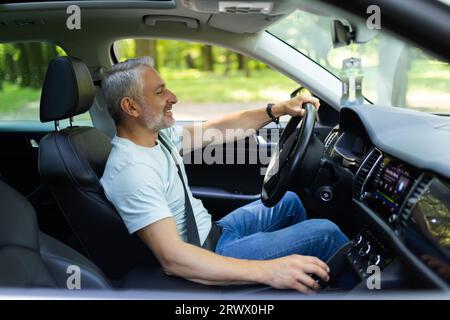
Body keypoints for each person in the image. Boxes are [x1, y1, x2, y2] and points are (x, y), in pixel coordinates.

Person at [100, 57, 350, 294]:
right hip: (206, 253)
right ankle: (365, 291)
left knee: (290, 202)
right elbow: (174, 258)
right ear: (130, 106)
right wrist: (270, 271)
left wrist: (279, 109)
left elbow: (220, 128)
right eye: (159, 92)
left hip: (213, 231)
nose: (173, 97)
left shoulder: (157, 138)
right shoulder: (132, 171)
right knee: (325, 233)